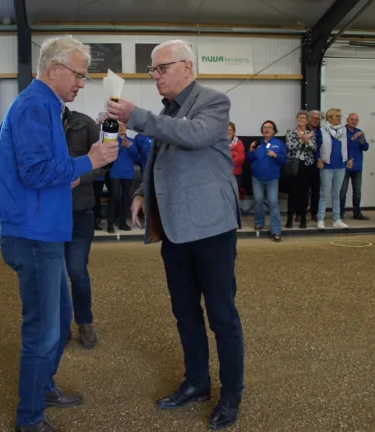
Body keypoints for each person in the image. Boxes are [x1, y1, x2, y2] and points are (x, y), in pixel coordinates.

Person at [106, 39, 244, 430]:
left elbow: (193, 135)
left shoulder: (213, 102)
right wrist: (139, 193)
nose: (155, 76)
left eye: (160, 68)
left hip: (212, 228)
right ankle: (197, 382)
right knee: (185, 312)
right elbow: (159, 157)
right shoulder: (168, 111)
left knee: (222, 315)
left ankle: (232, 391)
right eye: (152, 70)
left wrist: (137, 116)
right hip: (174, 227)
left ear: (187, 67)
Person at [0, 35, 118, 432]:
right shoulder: (35, 106)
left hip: (44, 230)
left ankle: (43, 386)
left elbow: (37, 170)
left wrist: (66, 174)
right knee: (43, 328)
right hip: (33, 234)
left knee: (61, 316)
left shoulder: (45, 106)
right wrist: (87, 161)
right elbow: (33, 172)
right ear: (55, 69)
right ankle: (29, 419)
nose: (82, 83)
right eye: (80, 75)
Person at [63, 106, 104, 348]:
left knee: (77, 271)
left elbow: (103, 162)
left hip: (80, 212)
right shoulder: (39, 123)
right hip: (48, 214)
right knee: (54, 274)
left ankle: (84, 322)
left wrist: (81, 177)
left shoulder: (85, 123)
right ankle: (60, 323)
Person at [247, 120, 287, 241]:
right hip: (257, 178)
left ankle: (276, 230)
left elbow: (284, 160)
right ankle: (259, 222)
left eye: (269, 127)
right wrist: (250, 151)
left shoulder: (279, 144)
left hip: (272, 179)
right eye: (264, 127)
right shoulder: (257, 144)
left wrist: (276, 156)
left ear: (274, 130)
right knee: (258, 200)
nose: (267, 129)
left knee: (273, 203)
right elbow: (249, 160)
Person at [315, 108, 351, 230]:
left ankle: (336, 219)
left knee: (337, 193)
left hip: (340, 166)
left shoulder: (344, 130)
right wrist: (319, 158)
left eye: (340, 116)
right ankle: (320, 219)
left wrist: (349, 158)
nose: (339, 118)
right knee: (324, 193)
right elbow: (316, 147)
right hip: (327, 166)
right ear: (329, 118)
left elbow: (348, 145)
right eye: (336, 116)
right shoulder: (322, 130)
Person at [340, 113, 370, 221]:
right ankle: (340, 213)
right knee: (342, 191)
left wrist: (362, 141)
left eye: (356, 120)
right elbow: (341, 145)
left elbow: (365, 147)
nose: (354, 121)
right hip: (344, 165)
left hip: (357, 166)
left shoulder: (359, 132)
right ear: (347, 120)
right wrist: (352, 139)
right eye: (352, 119)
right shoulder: (341, 131)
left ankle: (357, 213)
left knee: (357, 191)